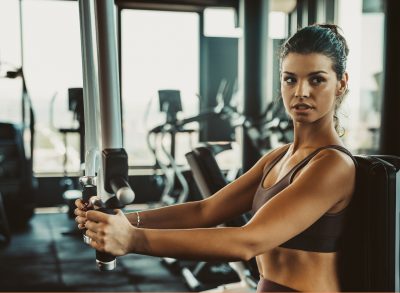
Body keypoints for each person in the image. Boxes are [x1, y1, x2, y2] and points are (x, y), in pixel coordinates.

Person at [75, 24, 356, 292]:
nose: (300, 92)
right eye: (290, 79)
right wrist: (121, 220)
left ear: (341, 84)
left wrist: (132, 239)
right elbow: (205, 211)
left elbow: (248, 240)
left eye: (317, 80)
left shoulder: (333, 165)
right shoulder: (279, 157)